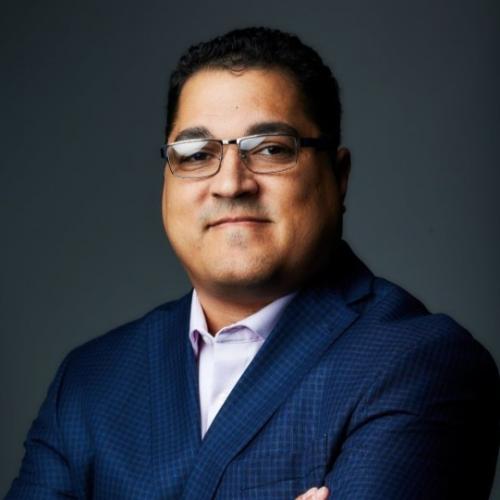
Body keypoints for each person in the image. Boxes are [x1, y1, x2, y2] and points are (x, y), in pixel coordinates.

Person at [6, 27, 500, 500]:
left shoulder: (418, 362)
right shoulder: (90, 380)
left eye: (270, 149)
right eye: (196, 154)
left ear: (339, 176)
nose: (230, 183)